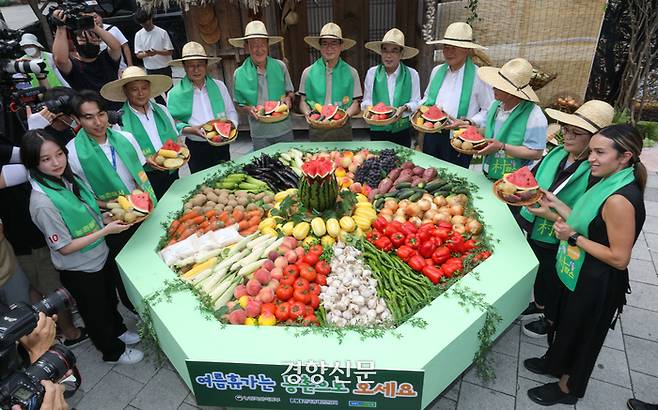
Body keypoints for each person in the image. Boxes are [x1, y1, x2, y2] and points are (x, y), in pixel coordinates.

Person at [524, 124, 646, 405]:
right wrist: (555, 208)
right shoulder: (607, 180)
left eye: (600, 152)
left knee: (581, 336)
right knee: (565, 324)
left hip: (597, 281)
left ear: (624, 157)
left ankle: (567, 390)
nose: (591, 158)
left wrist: (573, 236)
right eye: (591, 150)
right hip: (578, 270)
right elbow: (587, 221)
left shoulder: (620, 199)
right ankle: (553, 363)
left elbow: (619, 257)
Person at [21, 129, 143, 365]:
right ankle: (112, 351)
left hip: (99, 255)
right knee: (94, 312)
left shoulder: (66, 178)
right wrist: (105, 231)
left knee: (108, 300)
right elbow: (64, 247)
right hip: (80, 269)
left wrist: (105, 214)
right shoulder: (42, 202)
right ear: (33, 163)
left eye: (59, 154)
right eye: (46, 159)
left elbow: (85, 207)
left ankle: (118, 331)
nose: (56, 162)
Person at [516, 100, 614, 340]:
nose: (566, 136)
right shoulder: (558, 153)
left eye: (575, 133)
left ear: (594, 139)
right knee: (540, 269)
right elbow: (534, 178)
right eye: (565, 129)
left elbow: (587, 214)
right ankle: (539, 304)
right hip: (538, 225)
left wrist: (553, 215)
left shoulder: (594, 172)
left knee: (555, 277)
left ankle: (550, 319)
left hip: (562, 235)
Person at [67, 90, 156, 314]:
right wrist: (115, 206)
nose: (98, 122)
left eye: (101, 114)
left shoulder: (126, 138)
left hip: (145, 212)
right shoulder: (72, 153)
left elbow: (141, 174)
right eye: (88, 117)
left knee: (153, 260)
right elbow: (82, 196)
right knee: (125, 271)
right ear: (77, 120)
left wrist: (137, 198)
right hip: (114, 220)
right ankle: (138, 311)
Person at [420, 22, 494, 166]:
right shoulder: (437, 71)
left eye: (454, 48)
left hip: (460, 138)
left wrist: (469, 122)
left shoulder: (478, 76)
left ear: (466, 50)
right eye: (446, 47)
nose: (448, 52)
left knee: (455, 180)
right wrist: (418, 108)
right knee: (429, 175)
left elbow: (489, 110)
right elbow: (427, 98)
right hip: (432, 134)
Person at [100, 66, 177, 199]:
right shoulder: (119, 121)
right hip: (147, 177)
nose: (141, 93)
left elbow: (176, 136)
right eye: (134, 89)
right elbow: (123, 154)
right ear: (125, 92)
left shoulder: (162, 110)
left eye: (144, 88)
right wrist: (144, 159)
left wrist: (181, 146)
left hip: (173, 168)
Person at [167, 42, 238, 173]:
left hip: (221, 143)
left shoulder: (219, 86)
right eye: (191, 66)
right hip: (196, 146)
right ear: (184, 67)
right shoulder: (174, 94)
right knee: (202, 185)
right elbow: (173, 123)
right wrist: (191, 130)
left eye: (199, 65)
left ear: (206, 66)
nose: (196, 70)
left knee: (227, 176)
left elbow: (231, 111)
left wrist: (231, 128)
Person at [477, 58, 547, 180]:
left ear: (511, 92)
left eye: (499, 86)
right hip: (488, 170)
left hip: (515, 180)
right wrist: (469, 128)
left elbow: (536, 153)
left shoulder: (535, 115)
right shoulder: (495, 105)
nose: (493, 88)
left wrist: (502, 147)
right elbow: (487, 130)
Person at [229, 20, 295, 150]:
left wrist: (289, 99)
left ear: (268, 45)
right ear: (246, 47)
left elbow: (290, 92)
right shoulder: (239, 73)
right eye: (254, 45)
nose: (259, 49)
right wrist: (248, 109)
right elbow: (238, 104)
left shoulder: (280, 66)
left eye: (262, 44)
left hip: (283, 128)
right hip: (259, 132)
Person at [298, 22, 362, 141]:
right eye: (325, 43)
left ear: (341, 46)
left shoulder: (352, 72)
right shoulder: (307, 72)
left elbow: (356, 103)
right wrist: (308, 114)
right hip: (317, 126)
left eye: (334, 43)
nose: (329, 48)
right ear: (320, 47)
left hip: (343, 128)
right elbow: (302, 101)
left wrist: (345, 116)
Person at [51, 8, 122, 111]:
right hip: (93, 115)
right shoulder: (73, 67)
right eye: (82, 39)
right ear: (75, 45)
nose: (88, 41)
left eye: (92, 38)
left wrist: (94, 27)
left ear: (100, 40)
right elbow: (60, 59)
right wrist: (60, 26)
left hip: (118, 111)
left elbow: (116, 46)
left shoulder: (107, 58)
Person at [362, 28, 421, 148]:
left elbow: (416, 102)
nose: (388, 56)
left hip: (402, 130)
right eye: (385, 50)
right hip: (377, 129)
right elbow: (367, 100)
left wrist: (404, 108)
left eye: (394, 51)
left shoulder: (412, 74)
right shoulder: (372, 73)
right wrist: (370, 109)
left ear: (401, 53)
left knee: (402, 164)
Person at [82, 5, 133, 73]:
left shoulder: (113, 29)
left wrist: (130, 64)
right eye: (90, 19)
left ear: (101, 16)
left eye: (95, 17)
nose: (94, 20)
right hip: (102, 71)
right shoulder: (86, 34)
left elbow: (125, 46)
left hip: (120, 69)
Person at [133, 9, 174, 77]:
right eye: (143, 24)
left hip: (164, 67)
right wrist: (147, 54)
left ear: (151, 19)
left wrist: (157, 52)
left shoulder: (162, 32)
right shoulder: (138, 35)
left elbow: (170, 51)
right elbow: (138, 54)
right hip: (150, 68)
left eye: (146, 23)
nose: (145, 26)